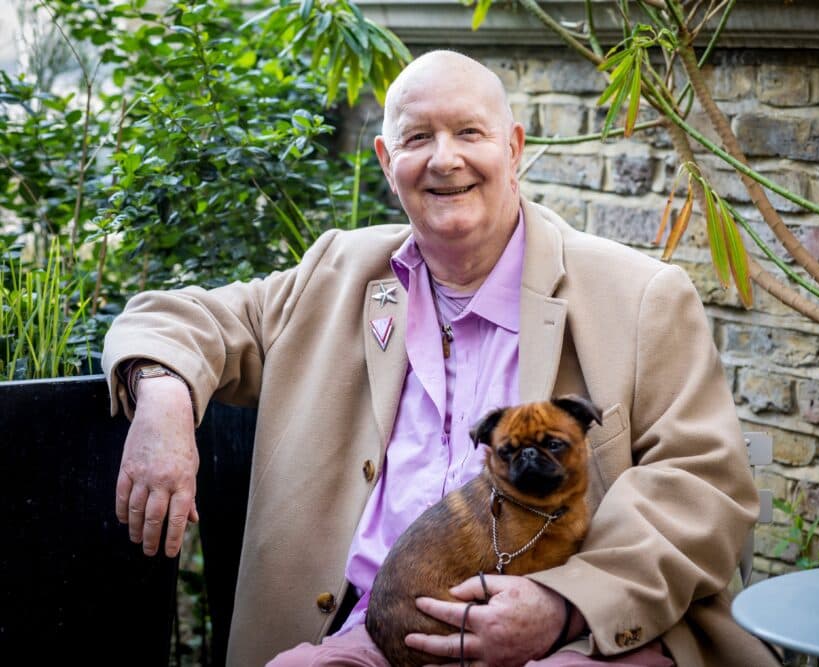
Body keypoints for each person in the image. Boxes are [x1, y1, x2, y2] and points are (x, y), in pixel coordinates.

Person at [102, 50, 779, 666]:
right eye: (418, 138)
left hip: (572, 638)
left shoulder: (637, 297)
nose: (444, 159)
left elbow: (703, 482)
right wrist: (163, 398)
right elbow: (180, 318)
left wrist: (567, 602)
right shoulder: (337, 272)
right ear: (384, 160)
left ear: (515, 148)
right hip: (368, 634)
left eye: (470, 133)